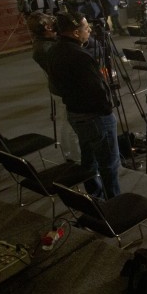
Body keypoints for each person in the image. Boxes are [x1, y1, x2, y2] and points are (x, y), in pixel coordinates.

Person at [46, 12, 120, 199]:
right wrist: (107, 109)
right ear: (76, 33)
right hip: (95, 116)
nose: (89, 31)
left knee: (89, 158)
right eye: (86, 28)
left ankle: (94, 195)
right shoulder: (80, 56)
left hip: (75, 113)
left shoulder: (54, 50)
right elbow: (96, 90)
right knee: (109, 163)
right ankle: (114, 202)